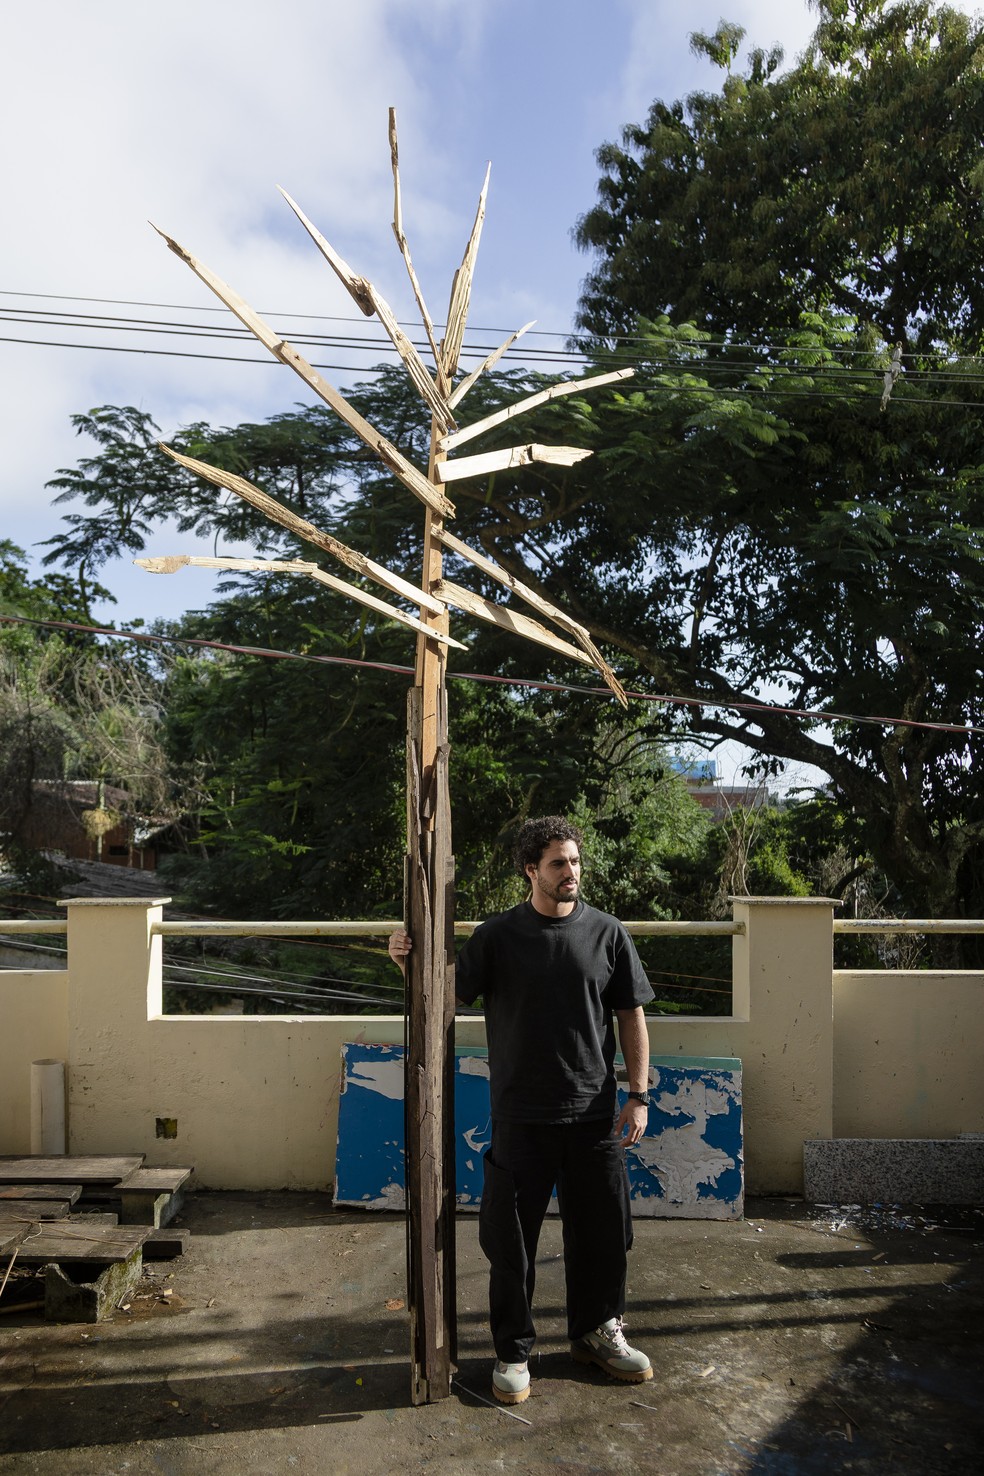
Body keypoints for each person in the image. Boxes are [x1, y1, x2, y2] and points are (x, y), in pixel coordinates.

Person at [388, 814, 655, 1406]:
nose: (571, 873)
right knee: (510, 1243)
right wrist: (407, 963)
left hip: (594, 1116)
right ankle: (513, 1350)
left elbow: (631, 1015)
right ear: (531, 869)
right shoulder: (498, 936)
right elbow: (444, 996)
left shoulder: (608, 933)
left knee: (607, 1234)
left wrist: (638, 1095)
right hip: (521, 1117)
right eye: (558, 863)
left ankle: (597, 1330)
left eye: (575, 862)